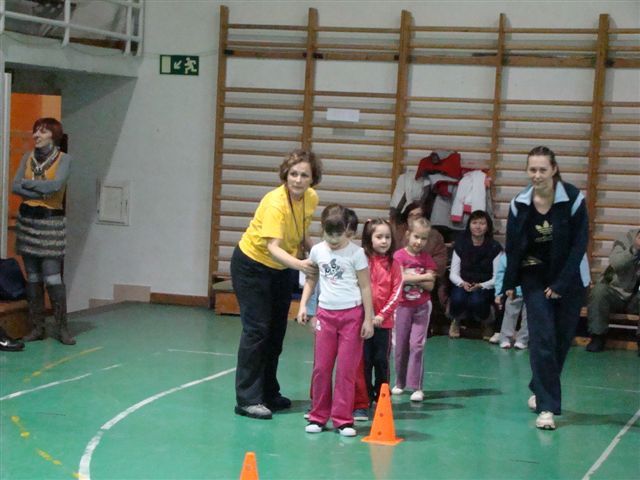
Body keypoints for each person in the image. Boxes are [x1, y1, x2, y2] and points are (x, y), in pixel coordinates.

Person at [503, 146, 590, 430]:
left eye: (542, 169)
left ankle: (538, 385)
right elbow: (513, 246)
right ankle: (547, 407)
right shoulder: (519, 204)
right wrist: (509, 283)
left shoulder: (573, 199)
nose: (537, 175)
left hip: (569, 277)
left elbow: (579, 245)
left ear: (554, 169)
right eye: (532, 170)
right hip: (534, 277)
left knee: (561, 342)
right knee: (542, 339)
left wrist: (561, 283)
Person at [231, 149, 322, 420]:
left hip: (281, 267)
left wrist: (317, 252)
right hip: (253, 266)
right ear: (285, 175)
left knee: (276, 332)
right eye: (293, 174)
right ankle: (247, 399)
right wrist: (302, 265)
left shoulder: (311, 198)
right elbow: (272, 247)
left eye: (304, 175)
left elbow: (301, 232)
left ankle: (269, 392)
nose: (298, 180)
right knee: (257, 330)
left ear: (312, 179)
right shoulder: (275, 203)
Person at [297, 204, 374, 437]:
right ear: (322, 229)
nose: (332, 240)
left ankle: (343, 419)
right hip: (326, 316)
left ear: (347, 231)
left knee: (346, 370)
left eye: (338, 235)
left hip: (351, 317)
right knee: (321, 368)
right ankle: (318, 416)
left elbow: (365, 286)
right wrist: (303, 305)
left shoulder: (356, 254)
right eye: (328, 234)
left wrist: (368, 319)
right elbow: (311, 279)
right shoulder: (317, 251)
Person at [12, 118, 75, 345]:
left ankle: (62, 328)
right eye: (35, 131)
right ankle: (37, 327)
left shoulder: (64, 159)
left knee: (52, 276)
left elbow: (56, 186)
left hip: (50, 224)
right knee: (33, 276)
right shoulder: (27, 158)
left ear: (53, 136)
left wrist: (28, 184)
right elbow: (15, 186)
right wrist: (40, 192)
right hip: (28, 222)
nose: (36, 136)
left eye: (42, 132)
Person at [352, 218, 402, 419]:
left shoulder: (394, 264)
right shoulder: (361, 261)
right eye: (379, 237)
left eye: (387, 237)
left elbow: (397, 293)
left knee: (381, 361)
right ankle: (362, 401)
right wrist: (366, 315)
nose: (384, 241)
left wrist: (382, 315)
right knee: (363, 362)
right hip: (363, 323)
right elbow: (357, 287)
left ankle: (382, 398)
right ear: (369, 238)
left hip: (384, 324)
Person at [392, 217, 437, 402]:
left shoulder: (427, 259)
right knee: (400, 345)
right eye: (416, 236)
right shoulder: (398, 256)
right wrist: (423, 277)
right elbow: (399, 278)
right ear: (408, 235)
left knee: (416, 345)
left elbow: (431, 286)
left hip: (421, 307)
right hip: (402, 306)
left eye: (423, 238)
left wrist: (410, 277)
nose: (419, 242)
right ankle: (400, 382)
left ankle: (416, 386)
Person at [448, 210, 502, 340]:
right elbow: (453, 273)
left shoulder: (495, 247)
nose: (478, 226)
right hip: (463, 283)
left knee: (477, 300)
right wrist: (462, 283)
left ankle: (487, 322)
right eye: (475, 223)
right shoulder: (460, 245)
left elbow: (497, 277)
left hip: (485, 286)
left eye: (482, 223)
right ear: (469, 225)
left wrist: (481, 285)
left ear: (488, 226)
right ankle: (456, 320)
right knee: (457, 298)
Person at [586, 228, 640, 353]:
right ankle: (597, 336)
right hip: (615, 291)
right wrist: (634, 249)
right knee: (599, 291)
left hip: (636, 297)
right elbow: (616, 263)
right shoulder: (625, 239)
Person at [494, 253, 529, 349]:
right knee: (510, 314)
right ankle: (505, 338)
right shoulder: (505, 256)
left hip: (531, 289)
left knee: (528, 316)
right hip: (513, 290)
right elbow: (500, 275)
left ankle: (523, 340)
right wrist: (499, 293)